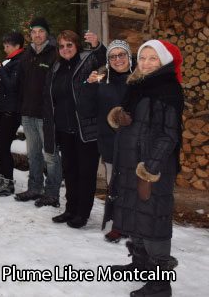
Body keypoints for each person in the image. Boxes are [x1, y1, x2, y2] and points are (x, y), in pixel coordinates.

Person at [105, 40, 182, 297]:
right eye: (143, 57)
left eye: (153, 59)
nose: (146, 63)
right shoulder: (137, 86)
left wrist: (150, 170)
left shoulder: (168, 89)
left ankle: (160, 283)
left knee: (153, 221)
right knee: (134, 213)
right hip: (130, 162)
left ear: (163, 62)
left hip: (151, 166)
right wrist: (119, 117)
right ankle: (140, 264)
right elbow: (136, 121)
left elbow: (169, 135)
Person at [43, 30, 106, 228]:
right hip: (64, 129)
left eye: (69, 45)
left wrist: (98, 45)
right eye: (61, 46)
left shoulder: (86, 60)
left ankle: (82, 213)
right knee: (70, 172)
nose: (65, 49)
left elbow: (105, 57)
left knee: (85, 173)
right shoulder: (56, 68)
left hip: (85, 129)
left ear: (77, 45)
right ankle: (70, 209)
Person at [87, 40, 134, 242]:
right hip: (109, 141)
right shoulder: (102, 81)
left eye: (121, 55)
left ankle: (134, 225)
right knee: (113, 183)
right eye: (113, 56)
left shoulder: (139, 80)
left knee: (132, 185)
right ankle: (117, 225)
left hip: (134, 142)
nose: (117, 59)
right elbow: (88, 108)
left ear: (129, 56)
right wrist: (88, 86)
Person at [14, 17, 63, 207]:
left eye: (40, 31)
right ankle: (35, 188)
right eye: (34, 31)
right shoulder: (27, 55)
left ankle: (52, 193)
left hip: (46, 115)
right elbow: (21, 84)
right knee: (33, 153)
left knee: (50, 155)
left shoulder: (54, 54)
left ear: (47, 33)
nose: (37, 35)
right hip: (27, 113)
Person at [0, 32, 25, 196]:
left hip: (11, 111)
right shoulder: (14, 61)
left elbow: (11, 85)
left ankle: (7, 183)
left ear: (17, 46)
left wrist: (0, 69)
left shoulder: (20, 62)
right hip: (5, 109)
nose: (5, 48)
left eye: (8, 45)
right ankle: (3, 178)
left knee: (3, 147)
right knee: (1, 147)